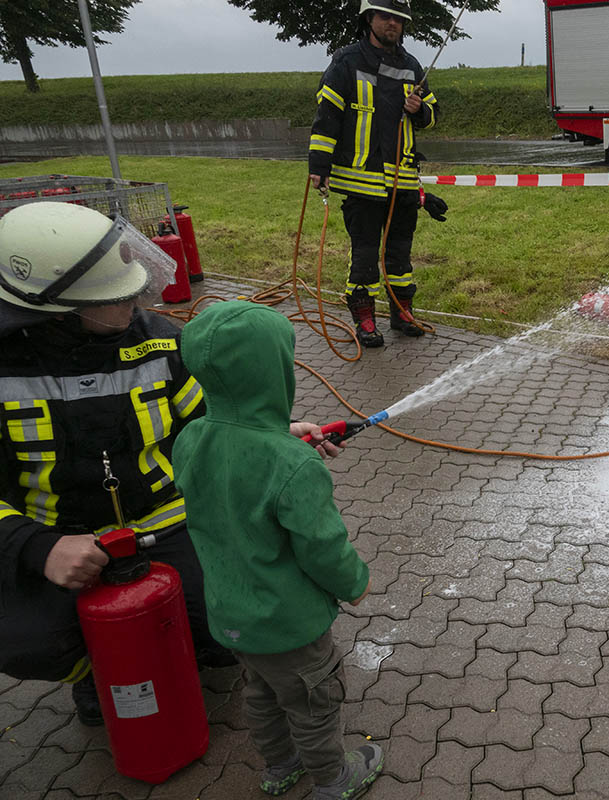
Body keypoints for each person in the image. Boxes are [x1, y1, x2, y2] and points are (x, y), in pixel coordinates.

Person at [0, 201, 341, 728]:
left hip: (167, 525)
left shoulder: (159, 343)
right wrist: (37, 547)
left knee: (230, 625)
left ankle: (183, 642)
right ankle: (95, 673)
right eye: (117, 291)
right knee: (34, 641)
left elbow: (209, 418)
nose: (135, 297)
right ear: (56, 307)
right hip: (57, 543)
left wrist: (269, 438)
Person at [173, 300, 381, 800]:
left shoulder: (190, 438)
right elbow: (321, 546)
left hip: (232, 615)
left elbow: (235, 467)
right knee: (312, 702)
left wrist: (274, 438)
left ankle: (279, 767)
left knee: (262, 694)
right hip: (290, 623)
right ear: (273, 371)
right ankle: (334, 780)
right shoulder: (294, 466)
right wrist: (354, 582)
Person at [308, 0, 446, 347]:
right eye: (385, 17)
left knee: (400, 253)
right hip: (362, 181)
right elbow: (328, 117)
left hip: (402, 181)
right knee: (366, 253)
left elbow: (432, 114)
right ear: (369, 19)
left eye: (398, 20)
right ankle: (365, 319)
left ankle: (402, 312)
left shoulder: (413, 66)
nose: (392, 24)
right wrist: (319, 166)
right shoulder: (347, 62)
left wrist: (420, 109)